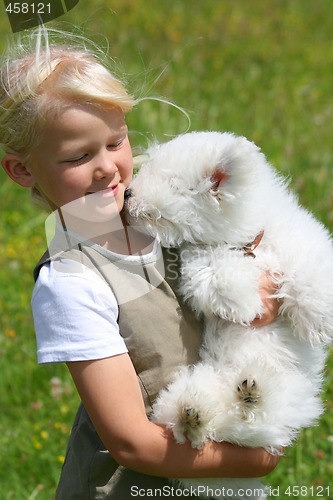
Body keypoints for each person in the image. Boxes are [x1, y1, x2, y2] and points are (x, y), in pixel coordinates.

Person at [0, 28, 281, 499]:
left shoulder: (162, 205)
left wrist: (262, 288)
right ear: (23, 170)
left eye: (116, 142)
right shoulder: (70, 282)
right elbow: (131, 442)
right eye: (79, 156)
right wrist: (256, 459)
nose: (108, 167)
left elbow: (256, 233)